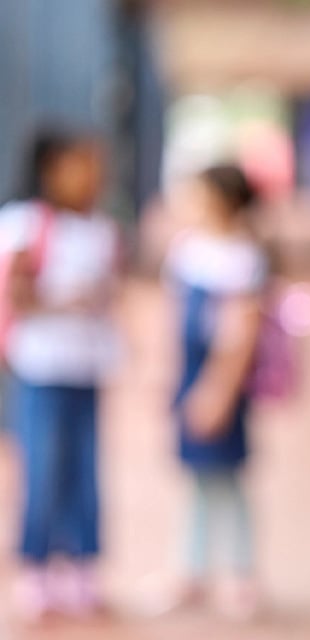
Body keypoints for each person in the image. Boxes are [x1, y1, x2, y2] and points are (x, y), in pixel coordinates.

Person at [1, 126, 120, 622]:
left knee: (86, 471)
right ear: (50, 170)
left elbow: (111, 293)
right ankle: (37, 567)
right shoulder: (26, 224)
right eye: (81, 166)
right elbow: (18, 292)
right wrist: (65, 300)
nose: (93, 177)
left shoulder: (100, 229)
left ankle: (81, 567)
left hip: (87, 367)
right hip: (41, 369)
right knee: (43, 469)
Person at [159, 165, 268, 620]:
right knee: (200, 482)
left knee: (228, 480)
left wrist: (218, 392)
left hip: (220, 382)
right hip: (191, 376)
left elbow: (240, 335)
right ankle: (194, 571)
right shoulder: (188, 250)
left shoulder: (243, 258)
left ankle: (241, 575)